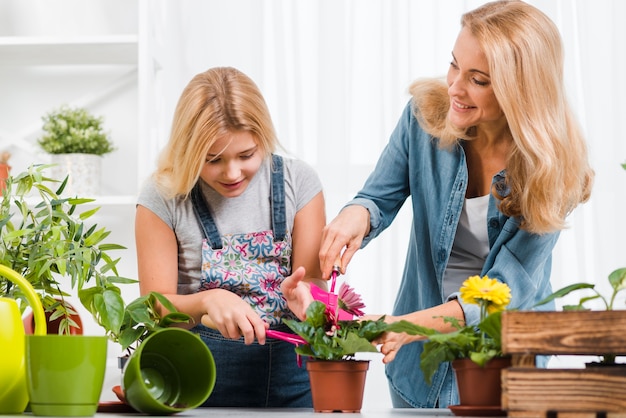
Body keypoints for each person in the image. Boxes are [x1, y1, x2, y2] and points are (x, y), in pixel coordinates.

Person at [315, 0, 594, 409]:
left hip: (503, 363)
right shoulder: (424, 116)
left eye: (477, 79)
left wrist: (406, 326)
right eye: (453, 65)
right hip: (416, 365)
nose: (454, 88)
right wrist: (355, 215)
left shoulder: (552, 170)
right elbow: (377, 198)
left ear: (521, 90)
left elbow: (503, 290)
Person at [135, 66, 326, 407]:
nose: (233, 173)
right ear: (188, 151)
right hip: (199, 385)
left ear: (263, 139)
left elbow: (313, 279)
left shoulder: (299, 181)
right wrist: (208, 300)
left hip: (298, 381)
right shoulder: (162, 195)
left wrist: (307, 295)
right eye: (213, 159)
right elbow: (153, 307)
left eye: (246, 155)